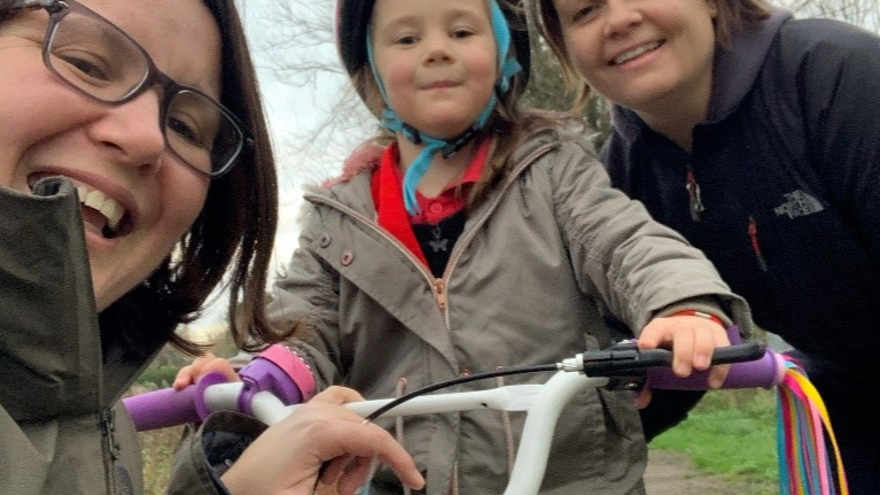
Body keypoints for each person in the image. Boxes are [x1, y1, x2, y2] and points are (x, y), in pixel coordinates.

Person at [261, 0, 756, 493]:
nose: (436, 51)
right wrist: (259, 375)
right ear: (371, 68)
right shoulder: (338, 217)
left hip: (570, 480)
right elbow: (301, 325)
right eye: (406, 39)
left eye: (461, 32)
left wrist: (683, 307)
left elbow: (626, 244)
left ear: (503, 53)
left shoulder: (554, 172)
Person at [0, 0, 423, 494]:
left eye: (184, 127)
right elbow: (312, 309)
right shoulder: (342, 208)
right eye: (85, 64)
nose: (146, 138)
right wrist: (275, 370)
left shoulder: (91, 407)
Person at [530, 0, 880, 492]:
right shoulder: (620, 181)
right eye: (585, 11)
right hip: (849, 405)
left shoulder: (840, 75)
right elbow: (654, 368)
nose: (620, 19)